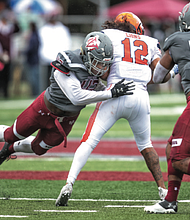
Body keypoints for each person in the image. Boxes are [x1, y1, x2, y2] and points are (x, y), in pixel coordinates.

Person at [55, 12, 171, 207]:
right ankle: (162, 189)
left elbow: (101, 65)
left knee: (89, 141)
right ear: (138, 27)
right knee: (146, 145)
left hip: (115, 93)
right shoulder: (150, 42)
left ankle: (69, 183)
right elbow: (161, 76)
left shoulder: (109, 35)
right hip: (140, 97)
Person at [0, 31, 135, 165]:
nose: (102, 67)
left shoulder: (92, 70)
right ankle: (10, 142)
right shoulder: (68, 62)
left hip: (67, 120)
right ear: (87, 55)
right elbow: (76, 97)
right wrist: (110, 93)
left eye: (104, 63)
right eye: (98, 62)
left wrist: (114, 90)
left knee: (39, 148)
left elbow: (95, 86)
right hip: (43, 110)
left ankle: (9, 149)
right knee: (10, 135)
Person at [144, 2, 190, 214]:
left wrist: (176, 66)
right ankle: (169, 201)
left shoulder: (178, 40)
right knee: (172, 148)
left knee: (178, 157)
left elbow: (158, 76)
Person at [38, 14, 72, 93]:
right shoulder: (44, 29)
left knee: (60, 79)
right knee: (47, 79)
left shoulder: (62, 29)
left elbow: (66, 43)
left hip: (59, 60)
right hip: (47, 59)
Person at [25, 21, 40, 97]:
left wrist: (24, 52)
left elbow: (31, 49)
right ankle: (35, 92)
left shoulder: (33, 37)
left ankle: (35, 93)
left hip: (32, 60)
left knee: (33, 78)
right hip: (34, 59)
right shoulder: (36, 35)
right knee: (34, 77)